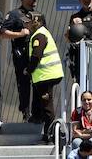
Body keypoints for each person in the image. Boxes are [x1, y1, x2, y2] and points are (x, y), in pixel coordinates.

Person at [2, 0, 39, 121]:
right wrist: (20, 34)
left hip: (36, 55)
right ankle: (25, 112)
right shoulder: (14, 14)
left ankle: (36, 113)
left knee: (38, 84)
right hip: (21, 56)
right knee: (23, 84)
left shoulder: (38, 15)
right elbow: (3, 33)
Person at [28, 11, 64, 143]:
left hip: (46, 75)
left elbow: (36, 55)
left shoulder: (39, 35)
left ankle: (51, 135)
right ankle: (45, 131)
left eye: (31, 21)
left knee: (47, 107)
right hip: (45, 75)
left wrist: (29, 69)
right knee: (42, 105)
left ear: (37, 22)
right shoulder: (41, 33)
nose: (28, 24)